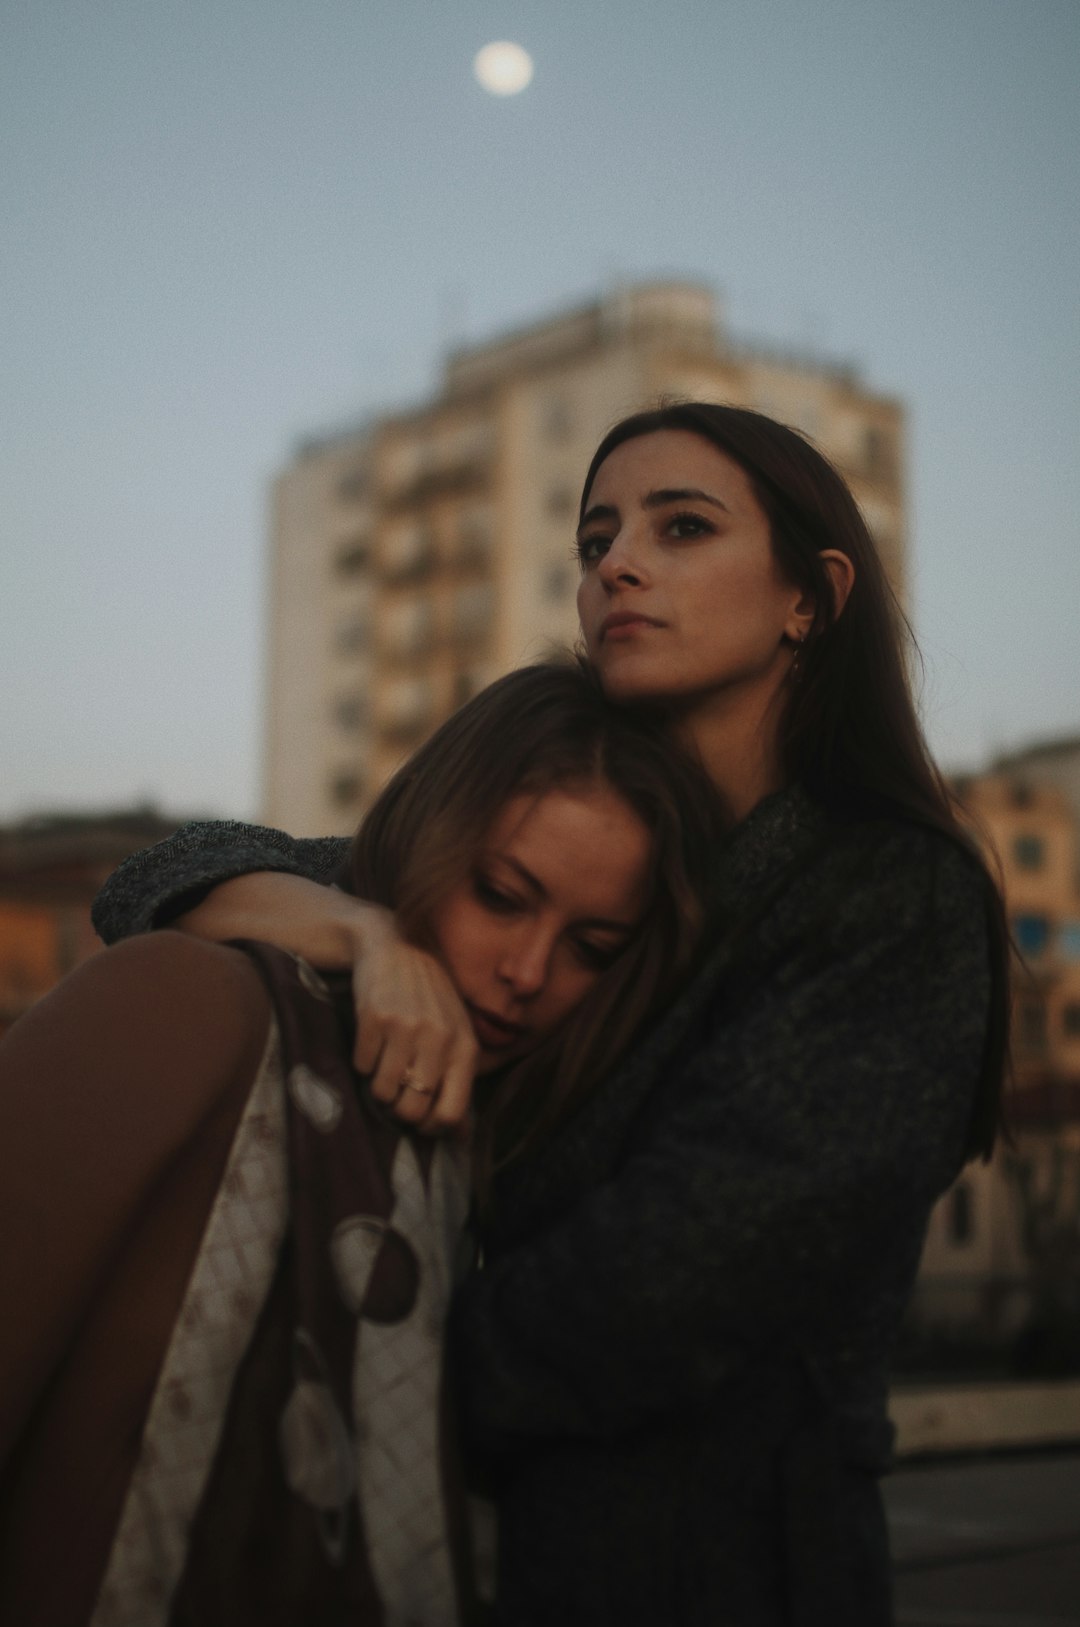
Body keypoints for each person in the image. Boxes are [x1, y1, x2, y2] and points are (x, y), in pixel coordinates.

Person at [88, 404, 1010, 1625]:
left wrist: (350, 1383)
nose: (616, 564)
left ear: (812, 596)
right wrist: (361, 928)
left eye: (681, 527)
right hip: (470, 1561)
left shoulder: (885, 887)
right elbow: (161, 877)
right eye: (595, 539)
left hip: (721, 1568)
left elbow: (687, 1274)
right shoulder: (586, 841)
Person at [0, 660, 724, 1627]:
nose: (526, 971)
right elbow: (152, 877)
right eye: (503, 895)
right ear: (428, 834)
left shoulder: (566, 1133)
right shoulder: (203, 1011)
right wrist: (368, 935)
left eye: (592, 947)